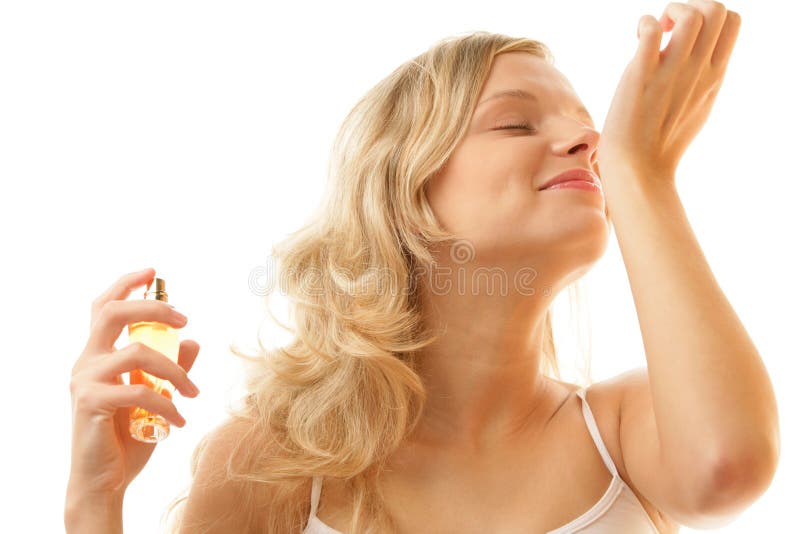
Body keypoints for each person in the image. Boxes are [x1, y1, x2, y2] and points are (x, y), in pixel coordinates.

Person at [67, 3, 779, 533]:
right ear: (403, 194)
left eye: (592, 126)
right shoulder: (270, 466)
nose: (589, 139)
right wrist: (93, 500)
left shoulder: (622, 432)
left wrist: (642, 175)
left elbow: (728, 466)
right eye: (516, 122)